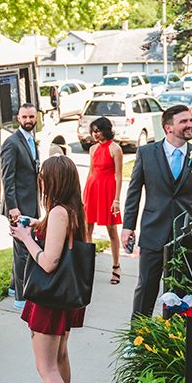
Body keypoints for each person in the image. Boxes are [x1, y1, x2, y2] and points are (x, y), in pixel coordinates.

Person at [9, 155, 88, 383]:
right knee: (60, 356)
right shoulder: (75, 208)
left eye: (42, 176)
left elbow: (49, 261)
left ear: (52, 180)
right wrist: (33, 226)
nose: (39, 180)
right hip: (67, 296)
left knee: (47, 366)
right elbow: (61, 240)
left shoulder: (58, 212)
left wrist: (24, 238)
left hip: (50, 297)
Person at [120, 105, 192, 317]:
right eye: (183, 121)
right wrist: (127, 227)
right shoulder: (146, 153)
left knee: (184, 290)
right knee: (146, 286)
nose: (190, 125)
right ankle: (137, 339)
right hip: (153, 231)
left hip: (189, 234)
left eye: (190, 120)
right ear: (168, 127)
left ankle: (175, 337)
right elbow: (134, 193)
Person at [0, 103, 40, 309]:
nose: (28, 121)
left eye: (31, 117)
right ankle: (22, 299)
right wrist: (12, 207)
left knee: (20, 249)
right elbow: (7, 178)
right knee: (24, 250)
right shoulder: (11, 143)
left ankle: (14, 288)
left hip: (31, 203)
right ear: (18, 118)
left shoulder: (32, 140)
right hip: (18, 207)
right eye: (24, 117)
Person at [82, 117, 124, 285]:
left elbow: (119, 176)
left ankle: (116, 267)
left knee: (112, 229)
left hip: (108, 190)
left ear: (106, 129)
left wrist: (117, 200)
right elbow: (90, 172)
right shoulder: (92, 149)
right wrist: (84, 194)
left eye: (98, 130)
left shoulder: (115, 149)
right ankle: (88, 266)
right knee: (87, 228)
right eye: (93, 131)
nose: (95, 134)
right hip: (92, 189)